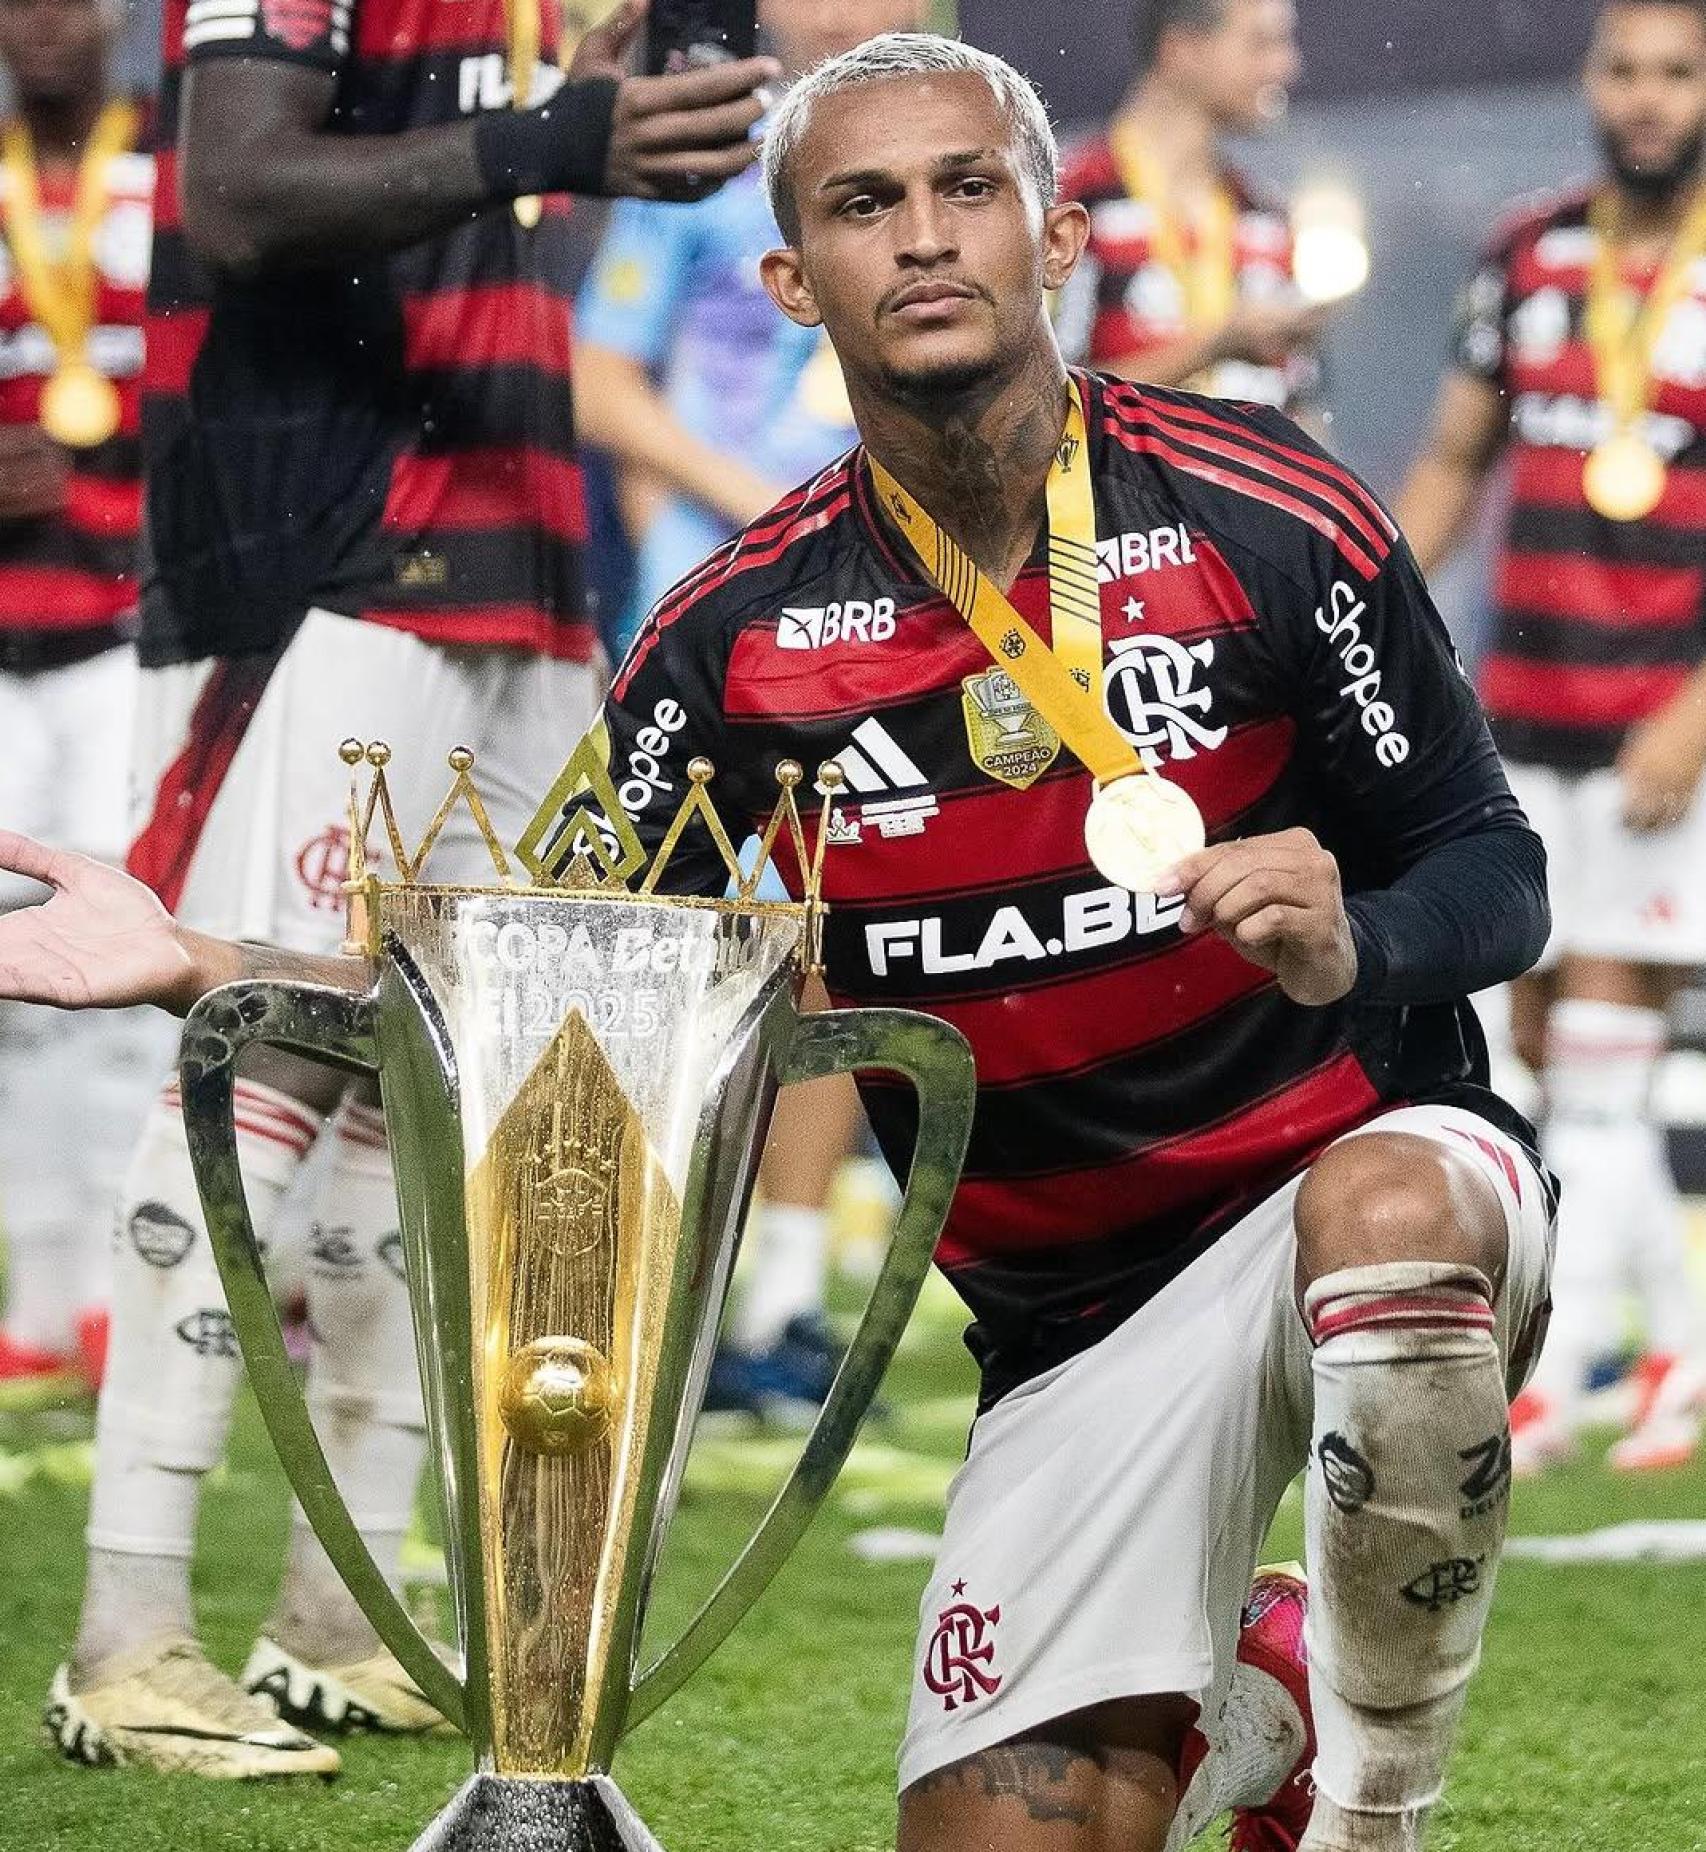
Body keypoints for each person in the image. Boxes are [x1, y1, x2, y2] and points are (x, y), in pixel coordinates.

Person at [0, 33, 1556, 1852]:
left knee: (1388, 1235)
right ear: (787, 276)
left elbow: (1495, 871)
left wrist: (1353, 937)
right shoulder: (737, 639)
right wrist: (192, 955)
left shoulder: (1268, 510)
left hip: (1349, 1171)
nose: (922, 238)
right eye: (861, 204)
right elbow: (537, 997)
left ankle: (1377, 1816)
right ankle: (1248, 1696)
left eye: (966, 189)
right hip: (1066, 1330)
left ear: (1056, 237)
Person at [37, 0, 780, 1778]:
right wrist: (548, 139)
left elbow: (480, 220)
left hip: (512, 547)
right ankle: (126, 1634)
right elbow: (235, 193)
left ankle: (335, 1611)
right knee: (265, 1036)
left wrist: (591, 129)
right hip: (325, 543)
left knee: (443, 1072)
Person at [575, 0, 924, 1415]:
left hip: (884, 620)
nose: (858, 7)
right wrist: (749, 509)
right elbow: (599, 380)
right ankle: (641, 1300)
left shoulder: (936, 167)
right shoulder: (702, 159)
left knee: (839, 947)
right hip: (705, 622)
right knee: (661, 967)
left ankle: (780, 1301)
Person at [1396, 0, 1706, 1478]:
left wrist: (1696, 713)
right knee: (1536, 1045)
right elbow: (1458, 457)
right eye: (1623, 69)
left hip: (1667, 727)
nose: (1644, 99)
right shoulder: (1526, 255)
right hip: (1520, 710)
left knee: (1595, 1051)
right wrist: (1358, 610)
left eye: (1674, 71)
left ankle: (1570, 1364)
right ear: (1590, 84)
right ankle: (1654, 1355)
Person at [0, 0, 160, 1402]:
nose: (43, 26)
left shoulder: (172, 179)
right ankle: (36, 1289)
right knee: (4, 991)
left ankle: (114, 1288)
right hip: (3, 641)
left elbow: (218, 384)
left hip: (123, 630)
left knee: (109, 960)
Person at [1053, 0, 1327, 419]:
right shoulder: (1073, 202)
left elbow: (1303, 414)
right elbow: (1049, 400)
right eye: (1261, 44)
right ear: (1182, 49)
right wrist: (1216, 344)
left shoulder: (1265, 220)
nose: (1285, 66)